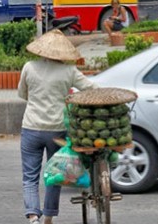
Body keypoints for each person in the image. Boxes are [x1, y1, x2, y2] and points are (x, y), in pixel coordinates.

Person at [18, 30, 98, 224]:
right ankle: (48, 217)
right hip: (57, 129)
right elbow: (91, 89)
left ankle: (33, 217)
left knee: (30, 177)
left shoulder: (29, 67)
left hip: (31, 127)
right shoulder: (69, 71)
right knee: (55, 174)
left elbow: (22, 94)